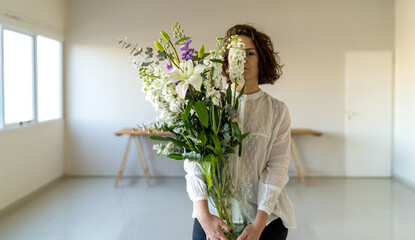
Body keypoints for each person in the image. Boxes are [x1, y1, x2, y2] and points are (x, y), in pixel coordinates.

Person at [184, 24, 296, 240]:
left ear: (261, 59)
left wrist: (259, 224)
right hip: (212, 219)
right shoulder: (208, 105)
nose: (242, 59)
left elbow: (277, 168)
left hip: (264, 221)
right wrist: (202, 213)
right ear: (226, 60)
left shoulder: (277, 111)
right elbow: (194, 160)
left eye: (250, 53)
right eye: (235, 53)